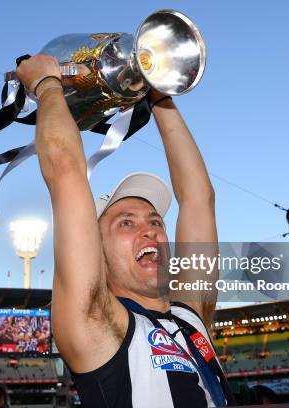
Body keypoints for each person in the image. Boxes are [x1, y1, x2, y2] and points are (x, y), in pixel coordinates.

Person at [16, 54, 232, 407]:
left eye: (155, 221)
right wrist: (47, 85)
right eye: (126, 223)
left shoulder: (191, 317)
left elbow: (198, 198)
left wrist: (158, 94)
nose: (149, 230)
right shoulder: (97, 324)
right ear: (95, 253)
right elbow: (66, 171)